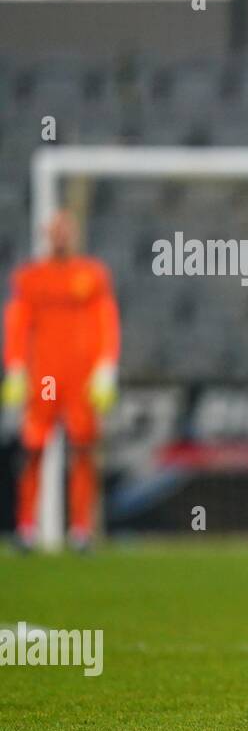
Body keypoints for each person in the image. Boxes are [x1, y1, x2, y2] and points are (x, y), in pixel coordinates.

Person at [2, 210, 120, 551]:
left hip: (81, 379)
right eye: (55, 232)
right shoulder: (31, 278)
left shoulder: (92, 275)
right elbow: (17, 323)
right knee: (35, 448)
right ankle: (26, 527)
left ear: (74, 235)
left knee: (83, 448)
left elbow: (106, 321)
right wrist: (15, 367)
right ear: (46, 236)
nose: (61, 238)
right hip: (48, 378)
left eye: (65, 231)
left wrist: (105, 368)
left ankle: (81, 529)